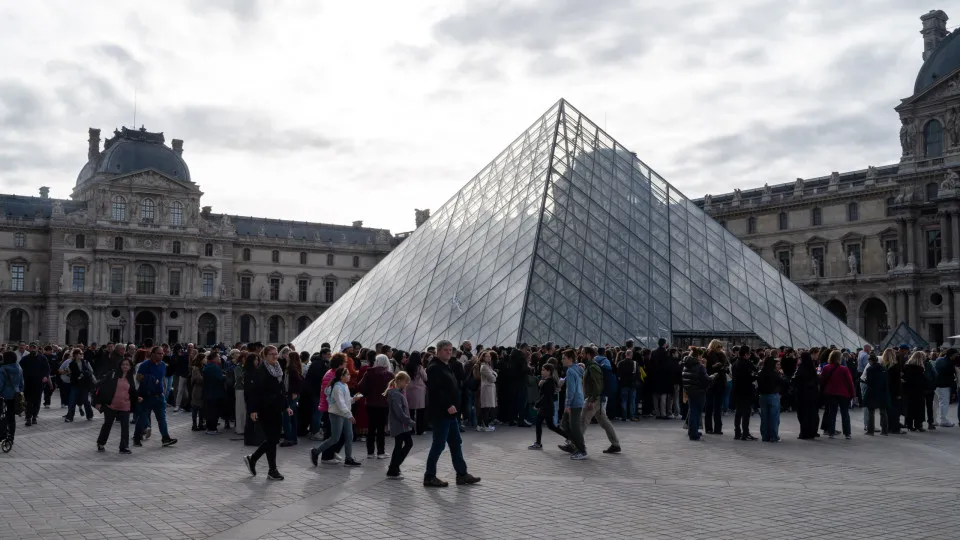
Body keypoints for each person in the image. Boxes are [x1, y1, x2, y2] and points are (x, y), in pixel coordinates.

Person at [423, 340, 479, 487]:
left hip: (451, 413)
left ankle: (462, 474)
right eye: (445, 350)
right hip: (442, 413)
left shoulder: (445, 366)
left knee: (456, 443)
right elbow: (435, 391)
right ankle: (429, 476)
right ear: (438, 351)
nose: (448, 352)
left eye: (450, 350)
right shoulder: (434, 368)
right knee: (439, 445)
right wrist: (448, 405)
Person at [244, 346, 294, 481]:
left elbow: (281, 389)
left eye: (276, 354)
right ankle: (272, 469)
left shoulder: (278, 369)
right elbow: (254, 392)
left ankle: (253, 459)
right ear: (265, 356)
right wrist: (253, 410)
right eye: (271, 354)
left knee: (273, 439)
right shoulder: (261, 371)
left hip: (276, 408)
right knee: (272, 439)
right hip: (265, 408)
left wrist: (286, 406)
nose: (275, 356)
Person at [310, 367, 362, 468]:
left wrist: (353, 399)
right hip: (337, 415)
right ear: (341, 377)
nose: (349, 376)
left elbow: (345, 401)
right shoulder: (338, 387)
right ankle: (316, 451)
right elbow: (340, 404)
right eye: (347, 374)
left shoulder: (344, 385)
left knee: (349, 436)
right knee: (335, 438)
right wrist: (350, 415)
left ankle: (348, 459)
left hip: (344, 413)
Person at [132, 347, 177, 448]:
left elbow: (161, 380)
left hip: (159, 396)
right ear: (152, 354)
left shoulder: (162, 365)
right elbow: (138, 377)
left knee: (162, 418)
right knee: (143, 418)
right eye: (159, 353)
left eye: (162, 354)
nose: (161, 355)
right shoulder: (145, 365)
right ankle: (136, 438)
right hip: (146, 395)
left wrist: (163, 393)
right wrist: (151, 379)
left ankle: (165, 438)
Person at [579, 346, 621, 453]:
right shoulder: (590, 366)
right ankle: (615, 444)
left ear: (588, 354)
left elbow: (598, 386)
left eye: (583, 353)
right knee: (604, 422)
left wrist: (592, 400)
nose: (581, 355)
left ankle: (575, 445)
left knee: (582, 421)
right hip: (597, 398)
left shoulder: (593, 367)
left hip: (594, 398)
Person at [94, 357, 141, 453]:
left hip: (125, 406)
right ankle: (101, 443)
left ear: (130, 366)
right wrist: (98, 402)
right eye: (123, 364)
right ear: (120, 366)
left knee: (125, 427)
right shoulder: (113, 374)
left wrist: (137, 398)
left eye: (127, 364)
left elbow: (132, 391)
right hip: (111, 405)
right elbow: (102, 387)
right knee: (107, 425)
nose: (125, 366)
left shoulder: (131, 377)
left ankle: (124, 447)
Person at [357, 354, 393, 458]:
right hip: (383, 404)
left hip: (370, 403)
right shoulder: (389, 375)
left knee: (371, 428)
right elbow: (393, 390)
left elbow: (360, 387)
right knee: (381, 429)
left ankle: (370, 452)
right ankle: (381, 452)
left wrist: (368, 393)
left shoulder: (369, 373)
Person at [558, 349, 587, 459]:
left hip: (574, 402)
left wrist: (568, 405)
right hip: (578, 400)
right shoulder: (576, 368)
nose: (562, 360)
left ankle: (582, 450)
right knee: (564, 424)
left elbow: (571, 390)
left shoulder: (570, 371)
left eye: (564, 358)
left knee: (574, 427)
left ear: (570, 359)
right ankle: (573, 444)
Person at [385, 370, 415, 479]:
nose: (407, 385)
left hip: (402, 424)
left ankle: (394, 467)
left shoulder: (399, 392)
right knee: (402, 445)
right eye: (406, 382)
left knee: (403, 444)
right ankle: (393, 468)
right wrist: (410, 422)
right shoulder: (395, 394)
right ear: (400, 381)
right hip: (400, 425)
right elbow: (399, 412)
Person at [820, 350, 855, 439]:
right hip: (843, 393)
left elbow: (822, 381)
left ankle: (831, 432)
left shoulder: (826, 368)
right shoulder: (844, 369)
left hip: (830, 393)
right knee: (845, 414)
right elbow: (849, 383)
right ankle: (847, 433)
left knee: (832, 413)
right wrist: (852, 394)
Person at [529, 363, 565, 449]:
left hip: (546, 407)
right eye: (542, 370)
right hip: (547, 406)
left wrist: (537, 405)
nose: (542, 371)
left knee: (540, 424)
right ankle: (569, 437)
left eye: (544, 370)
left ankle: (538, 443)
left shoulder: (549, 382)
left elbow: (545, 396)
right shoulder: (548, 381)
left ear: (549, 371)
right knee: (551, 426)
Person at [681, 347, 710, 440]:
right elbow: (706, 379)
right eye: (701, 355)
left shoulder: (686, 364)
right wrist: (712, 377)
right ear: (698, 356)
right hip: (699, 391)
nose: (702, 357)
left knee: (692, 410)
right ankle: (694, 433)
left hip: (690, 390)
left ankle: (692, 430)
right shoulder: (699, 366)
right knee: (696, 412)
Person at [731, 347, 758, 441]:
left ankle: (737, 433)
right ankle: (745, 433)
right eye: (749, 354)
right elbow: (749, 377)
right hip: (746, 391)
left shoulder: (735, 363)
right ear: (746, 354)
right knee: (746, 413)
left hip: (736, 391)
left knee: (738, 412)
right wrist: (755, 377)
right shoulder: (747, 363)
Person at [19, 342, 48, 427]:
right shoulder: (25, 358)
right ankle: (28, 418)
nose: (33, 349)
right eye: (31, 347)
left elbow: (47, 369)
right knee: (28, 402)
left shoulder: (42, 358)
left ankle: (34, 417)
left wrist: (45, 376)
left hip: (39, 383)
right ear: (29, 348)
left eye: (34, 347)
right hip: (28, 383)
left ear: (37, 348)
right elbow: (19, 369)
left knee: (37, 401)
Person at [792, 351, 820, 440]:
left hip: (802, 395)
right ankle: (812, 432)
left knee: (803, 414)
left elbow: (796, 381)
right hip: (812, 395)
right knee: (812, 414)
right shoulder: (812, 368)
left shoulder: (801, 368)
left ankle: (804, 433)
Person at [860, 353, 890, 435]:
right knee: (883, 412)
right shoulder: (884, 369)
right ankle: (885, 430)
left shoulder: (870, 369)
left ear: (870, 360)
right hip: (883, 392)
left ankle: (871, 430)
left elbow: (869, 382)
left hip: (872, 392)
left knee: (871, 412)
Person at [703, 340, 728, 435]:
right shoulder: (707, 354)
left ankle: (718, 428)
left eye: (720, 347)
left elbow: (726, 366)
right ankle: (709, 428)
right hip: (711, 382)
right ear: (713, 346)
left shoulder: (722, 355)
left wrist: (722, 367)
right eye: (718, 347)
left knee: (718, 407)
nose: (720, 349)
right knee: (709, 406)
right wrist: (716, 366)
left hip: (720, 382)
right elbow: (707, 368)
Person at [756, 356, 783, 442]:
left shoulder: (760, 373)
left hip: (763, 396)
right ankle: (773, 436)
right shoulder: (774, 374)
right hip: (773, 396)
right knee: (774, 418)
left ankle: (765, 436)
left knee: (764, 417)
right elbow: (781, 383)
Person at [0, 351, 24, 445]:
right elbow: (22, 383)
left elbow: (0, 384)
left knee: (3, 414)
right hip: (16, 394)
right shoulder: (19, 367)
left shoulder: (3, 369)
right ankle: (11, 436)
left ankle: (3, 433)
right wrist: (20, 391)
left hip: (5, 395)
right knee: (11, 417)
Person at [281, 352, 304, 447]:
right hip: (292, 394)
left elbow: (299, 381)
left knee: (287, 417)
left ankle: (289, 438)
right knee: (293, 418)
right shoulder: (295, 368)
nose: (286, 357)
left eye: (288, 356)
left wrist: (295, 392)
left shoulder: (292, 369)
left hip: (291, 395)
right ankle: (292, 438)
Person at [65, 348, 94, 422]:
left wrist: (84, 374)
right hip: (75, 384)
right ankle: (70, 417)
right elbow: (69, 373)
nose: (82, 355)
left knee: (85, 400)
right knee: (72, 400)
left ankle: (89, 415)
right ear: (75, 355)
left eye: (82, 353)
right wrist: (71, 374)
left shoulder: (86, 362)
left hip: (84, 384)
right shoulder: (71, 364)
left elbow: (91, 371)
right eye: (80, 353)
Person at [902, 351, 927, 432]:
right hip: (918, 391)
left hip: (908, 391)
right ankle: (918, 425)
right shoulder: (920, 369)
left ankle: (909, 425)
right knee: (919, 408)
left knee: (909, 408)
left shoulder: (906, 367)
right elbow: (922, 381)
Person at [202, 351, 225, 435]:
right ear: (214, 358)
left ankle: (209, 428)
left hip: (208, 393)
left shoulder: (208, 366)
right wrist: (224, 378)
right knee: (214, 412)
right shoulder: (215, 367)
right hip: (215, 393)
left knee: (209, 411)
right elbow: (219, 379)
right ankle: (212, 428)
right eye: (218, 357)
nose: (220, 358)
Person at [405, 352, 428, 436]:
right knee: (420, 411)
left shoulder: (406, 366)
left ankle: (410, 429)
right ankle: (419, 430)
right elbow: (425, 377)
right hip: (419, 390)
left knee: (410, 411)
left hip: (409, 389)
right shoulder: (419, 367)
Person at [933, 349, 957, 427]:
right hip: (944, 386)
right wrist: (954, 391)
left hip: (935, 384)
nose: (956, 356)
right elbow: (951, 378)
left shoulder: (939, 359)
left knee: (935, 403)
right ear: (951, 355)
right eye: (955, 355)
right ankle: (943, 420)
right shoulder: (950, 364)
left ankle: (933, 420)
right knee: (944, 403)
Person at [476, 350, 497, 432]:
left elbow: (494, 374)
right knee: (485, 407)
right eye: (487, 356)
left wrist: (494, 374)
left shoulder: (487, 366)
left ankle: (481, 425)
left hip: (489, 388)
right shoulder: (484, 366)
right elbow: (492, 378)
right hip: (487, 388)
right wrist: (494, 375)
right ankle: (485, 425)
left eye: (489, 356)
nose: (489, 357)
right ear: (483, 357)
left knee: (486, 408)